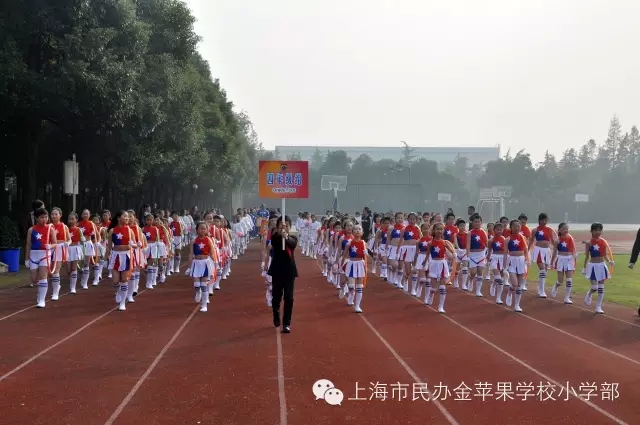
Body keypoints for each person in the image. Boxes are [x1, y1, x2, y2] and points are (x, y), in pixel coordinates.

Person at [268, 215, 298, 333]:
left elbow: (292, 244)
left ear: (290, 227)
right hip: (277, 271)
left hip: (289, 272)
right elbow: (275, 241)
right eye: (281, 225)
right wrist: (280, 233)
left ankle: (286, 323)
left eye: (286, 226)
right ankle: (276, 315)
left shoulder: (293, 238)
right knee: (276, 296)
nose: (284, 227)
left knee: (289, 298)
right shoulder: (275, 237)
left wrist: (286, 236)